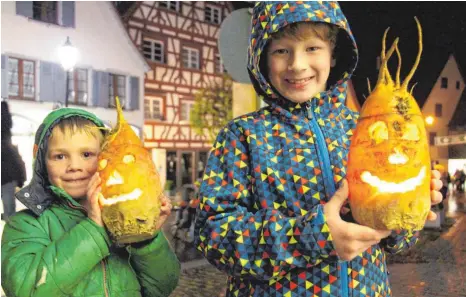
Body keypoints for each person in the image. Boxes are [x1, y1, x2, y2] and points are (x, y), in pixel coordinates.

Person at [194, 2, 443, 296]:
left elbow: (392, 241)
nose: (297, 64)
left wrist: (408, 214)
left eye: (312, 48)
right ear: (261, 58)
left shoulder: (365, 129)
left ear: (334, 54)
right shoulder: (242, 136)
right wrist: (310, 236)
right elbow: (213, 236)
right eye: (281, 51)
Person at [1, 108, 180, 297]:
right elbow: (24, 289)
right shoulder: (26, 224)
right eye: (60, 156)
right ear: (42, 163)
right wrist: (94, 229)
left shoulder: (124, 220)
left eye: (86, 154)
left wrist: (146, 241)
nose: (74, 166)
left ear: (105, 158)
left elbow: (162, 287)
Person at [1, 101, 27, 221]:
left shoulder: (6, 141)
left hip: (7, 177)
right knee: (9, 213)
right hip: (8, 178)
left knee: (9, 213)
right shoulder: (7, 141)